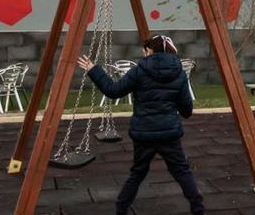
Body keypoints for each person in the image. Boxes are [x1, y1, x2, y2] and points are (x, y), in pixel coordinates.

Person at [78, 35, 204, 215]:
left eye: (145, 50)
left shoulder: (139, 71)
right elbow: (186, 110)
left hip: (144, 133)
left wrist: (93, 69)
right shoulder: (179, 72)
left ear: (149, 51)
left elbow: (113, 91)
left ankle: (121, 209)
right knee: (182, 171)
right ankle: (198, 208)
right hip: (169, 133)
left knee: (137, 173)